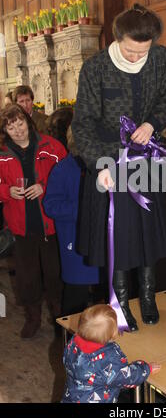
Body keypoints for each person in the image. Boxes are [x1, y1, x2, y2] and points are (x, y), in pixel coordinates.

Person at [72, 3, 166, 332]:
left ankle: (147, 296)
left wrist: (152, 122)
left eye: (142, 51)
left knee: (146, 233)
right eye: (130, 51)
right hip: (108, 161)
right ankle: (120, 303)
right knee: (116, 235)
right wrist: (100, 164)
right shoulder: (95, 68)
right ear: (117, 39)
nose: (136, 57)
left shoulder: (160, 58)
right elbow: (83, 124)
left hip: (145, 158)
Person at [0, 104, 66, 338]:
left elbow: (68, 176)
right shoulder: (2, 155)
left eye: (20, 123)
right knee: (28, 278)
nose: (17, 130)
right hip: (21, 228)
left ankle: (61, 319)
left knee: (54, 274)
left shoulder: (52, 146)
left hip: (50, 224)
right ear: (5, 131)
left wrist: (44, 187)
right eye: (11, 127)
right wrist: (8, 191)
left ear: (28, 121)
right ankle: (33, 318)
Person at [43, 127, 101, 315]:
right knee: (75, 299)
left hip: (102, 240)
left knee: (108, 295)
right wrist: (83, 211)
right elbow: (51, 205)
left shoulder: (105, 165)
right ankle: (70, 341)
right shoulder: (63, 169)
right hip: (75, 240)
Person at [61, 304, 161, 403]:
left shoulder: (73, 343)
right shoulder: (109, 359)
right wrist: (146, 367)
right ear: (113, 333)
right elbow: (128, 378)